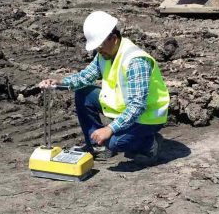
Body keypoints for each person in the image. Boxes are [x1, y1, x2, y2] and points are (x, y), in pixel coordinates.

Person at [39, 11, 170, 165]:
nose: (98, 51)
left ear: (113, 39)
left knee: (116, 142)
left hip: (147, 117)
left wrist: (109, 129)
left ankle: (149, 145)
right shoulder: (105, 53)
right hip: (125, 110)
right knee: (84, 93)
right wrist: (58, 83)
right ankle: (98, 146)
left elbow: (137, 105)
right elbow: (84, 77)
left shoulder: (136, 61)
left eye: (100, 46)